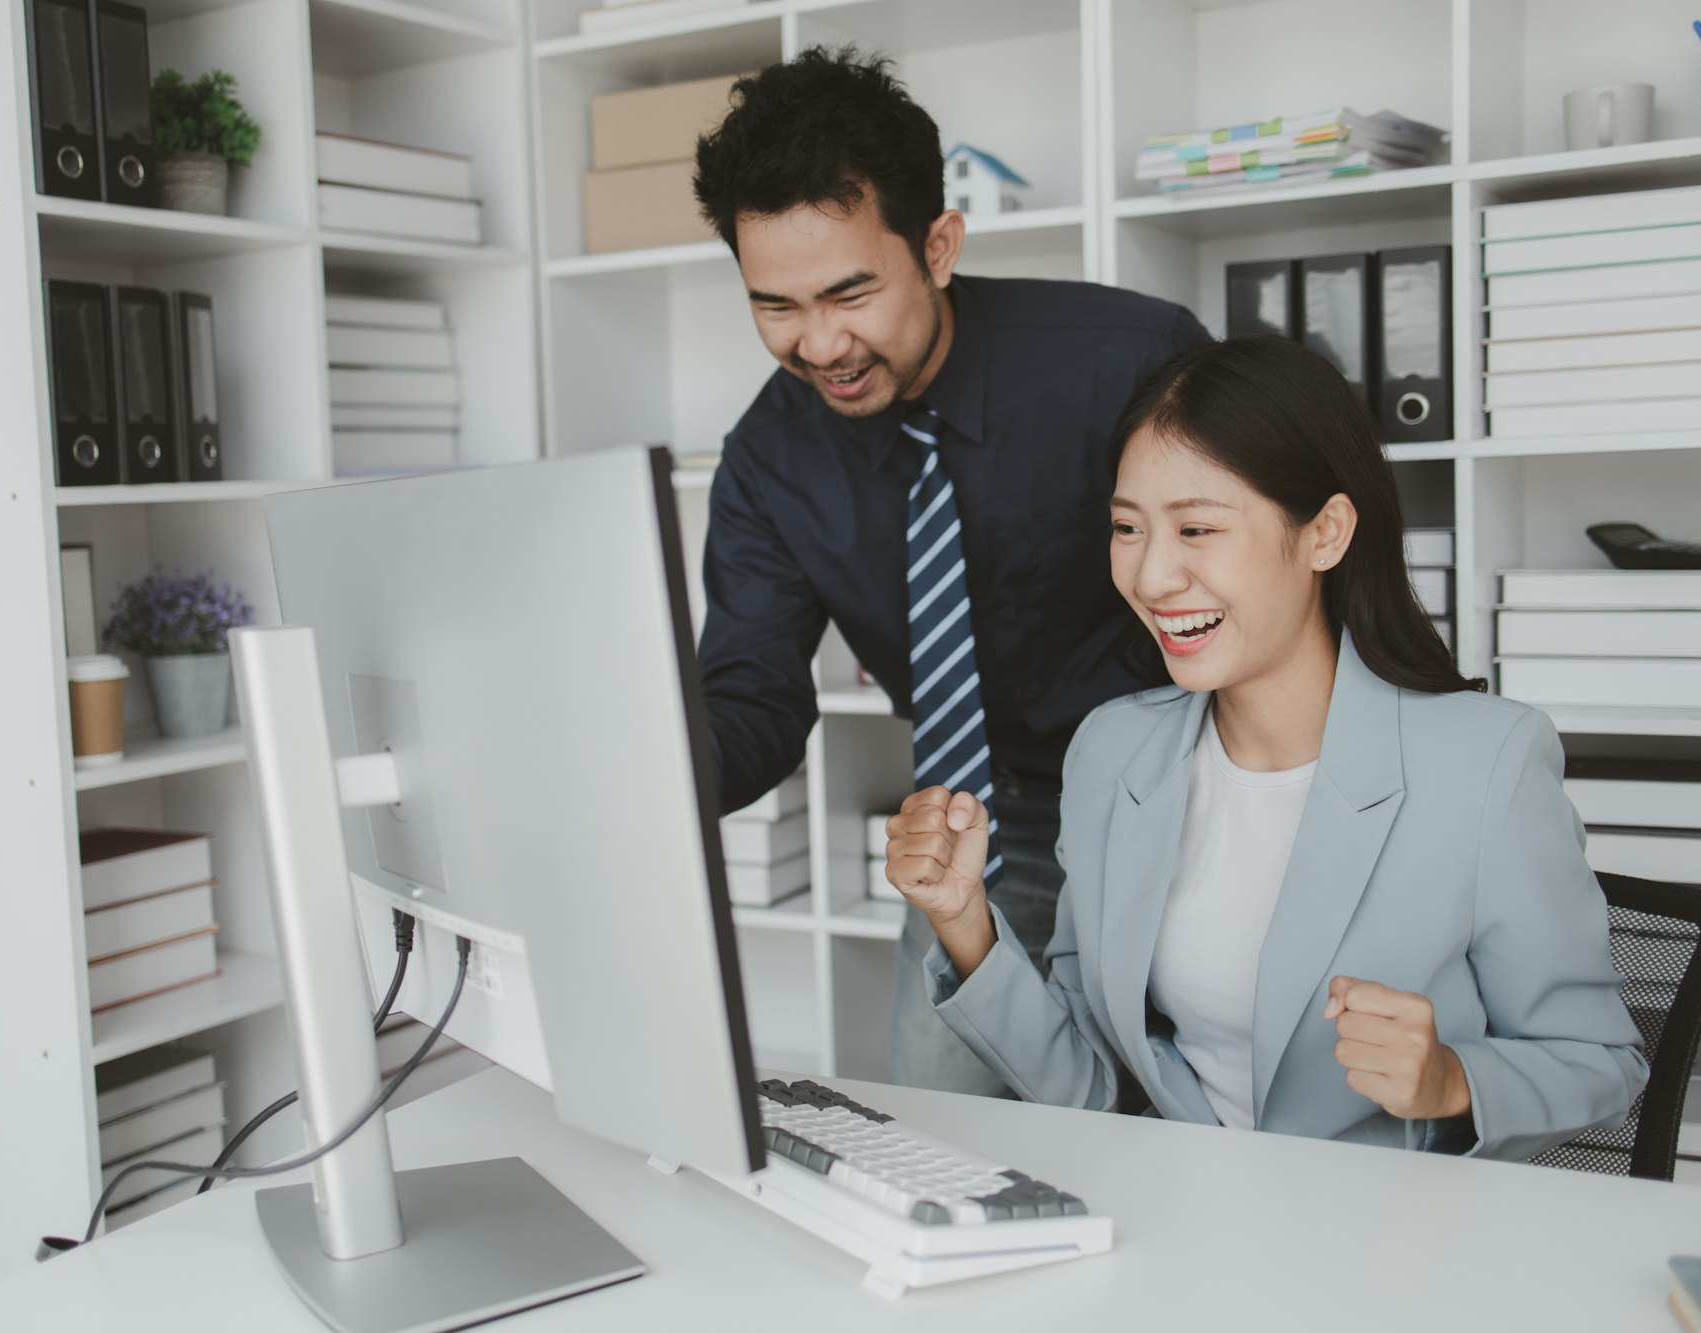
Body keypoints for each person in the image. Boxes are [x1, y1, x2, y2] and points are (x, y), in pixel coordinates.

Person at [885, 336, 1648, 1158]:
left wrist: (1451, 1081)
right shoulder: (1112, 752)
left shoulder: (1489, 762)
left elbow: (1601, 1063)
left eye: (1198, 528)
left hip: (1393, 1245)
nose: (1151, 577)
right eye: (1127, 527)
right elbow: (1090, 1082)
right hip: (1189, 1226)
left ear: (1325, 533)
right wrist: (965, 920)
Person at [690, 48, 1209, 1095]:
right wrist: (645, 767)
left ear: (936, 244)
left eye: (849, 291)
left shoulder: (1129, 362)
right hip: (980, 823)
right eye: (774, 306)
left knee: (1208, 1123)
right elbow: (751, 700)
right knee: (942, 1151)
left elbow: (1262, 589)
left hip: (1188, 794)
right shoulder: (766, 462)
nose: (819, 343)